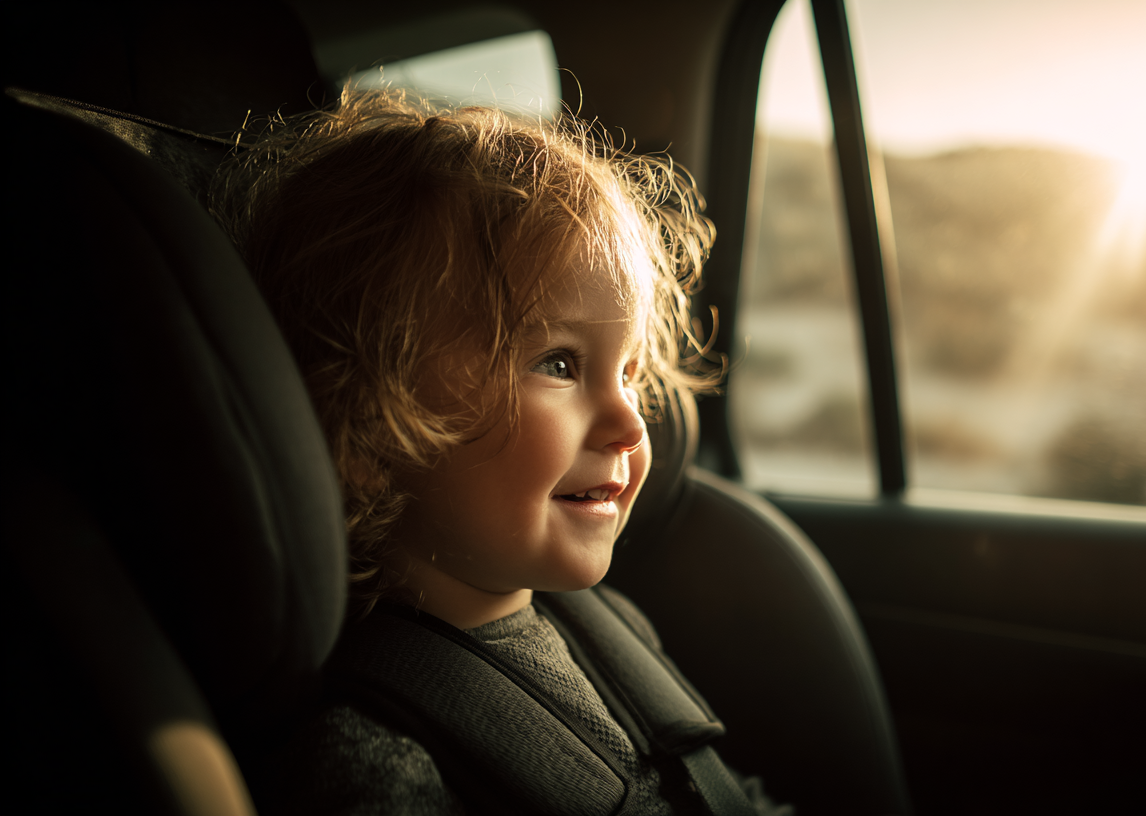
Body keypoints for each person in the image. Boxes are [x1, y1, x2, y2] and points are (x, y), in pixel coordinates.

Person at [216, 88, 787, 815]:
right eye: (559, 364)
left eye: (631, 372)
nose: (629, 422)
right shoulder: (373, 760)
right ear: (365, 420)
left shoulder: (613, 631)